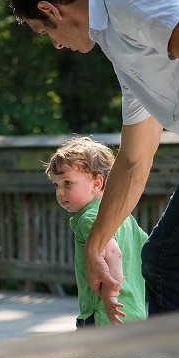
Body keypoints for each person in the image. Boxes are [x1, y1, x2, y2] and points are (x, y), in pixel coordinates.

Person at [12, 0, 179, 315]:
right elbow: (134, 161)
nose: (56, 44)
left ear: (50, 9)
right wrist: (95, 249)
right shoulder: (122, 48)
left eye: (45, 31)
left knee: (166, 261)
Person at [45, 136, 147, 328]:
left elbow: (112, 254)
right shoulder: (124, 217)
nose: (59, 192)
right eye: (56, 185)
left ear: (97, 183)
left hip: (104, 313)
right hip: (134, 311)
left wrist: (110, 298)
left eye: (67, 183)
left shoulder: (90, 218)